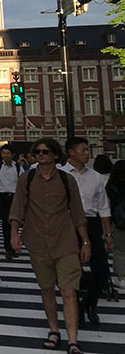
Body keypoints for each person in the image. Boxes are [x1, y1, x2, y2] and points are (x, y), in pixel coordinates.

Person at [10, 137, 90, 354]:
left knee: (69, 290)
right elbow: (18, 207)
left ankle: (73, 341)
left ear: (56, 155)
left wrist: (85, 241)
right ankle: (54, 330)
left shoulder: (67, 180)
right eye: (38, 152)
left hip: (65, 240)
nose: (41, 155)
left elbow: (77, 212)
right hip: (37, 241)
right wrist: (14, 233)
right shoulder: (26, 179)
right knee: (46, 289)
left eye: (46, 152)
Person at [61, 137, 114, 325]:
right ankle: (74, 308)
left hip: (91, 223)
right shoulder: (61, 174)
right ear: (71, 152)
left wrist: (107, 234)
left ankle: (89, 303)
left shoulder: (95, 176)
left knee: (102, 270)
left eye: (87, 149)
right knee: (72, 270)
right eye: (82, 150)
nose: (86, 153)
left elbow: (103, 207)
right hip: (67, 223)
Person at [0, 144, 22, 259]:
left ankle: (13, 245)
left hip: (14, 196)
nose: (6, 155)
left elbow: (22, 183)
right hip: (1, 196)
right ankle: (9, 248)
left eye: (8, 153)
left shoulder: (17, 167)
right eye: (4, 153)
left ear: (12, 155)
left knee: (14, 222)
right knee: (6, 222)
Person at [106, 159, 125, 291]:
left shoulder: (111, 186)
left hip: (118, 221)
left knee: (119, 251)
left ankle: (121, 278)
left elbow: (106, 206)